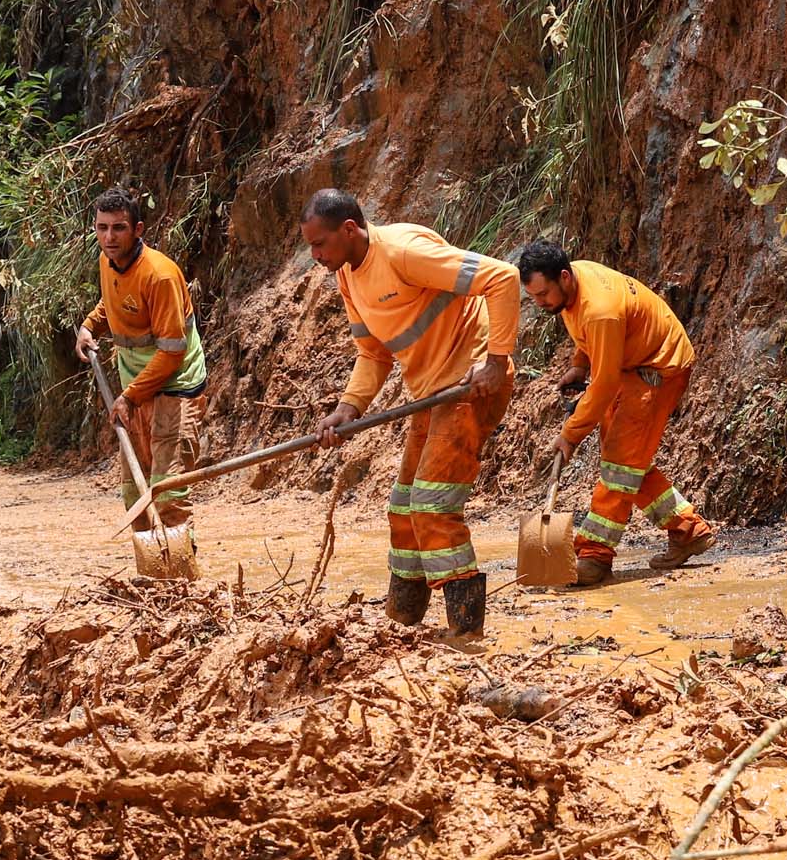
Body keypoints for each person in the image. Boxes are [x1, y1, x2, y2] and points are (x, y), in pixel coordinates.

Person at [301, 188, 520, 633]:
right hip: (430, 394)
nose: (314, 255)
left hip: (466, 386)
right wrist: (348, 407)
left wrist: (495, 361)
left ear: (349, 229)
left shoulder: (404, 251)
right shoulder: (347, 275)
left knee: (433, 506)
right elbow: (374, 353)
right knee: (403, 507)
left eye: (319, 243)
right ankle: (403, 622)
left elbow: (503, 278)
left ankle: (465, 630)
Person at [517, 242, 717, 583]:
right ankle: (688, 529)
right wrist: (580, 365)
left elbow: (605, 384)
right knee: (626, 461)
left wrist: (570, 434)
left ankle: (594, 555)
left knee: (620, 466)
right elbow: (588, 336)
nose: (539, 303)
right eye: (533, 296)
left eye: (543, 294)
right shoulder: (573, 286)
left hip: (657, 368)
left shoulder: (601, 309)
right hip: (631, 365)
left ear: (564, 277)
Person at [72, 188, 208, 530]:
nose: (109, 237)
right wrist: (89, 327)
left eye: (118, 228)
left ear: (138, 229)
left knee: (167, 490)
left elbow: (172, 353)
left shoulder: (159, 276)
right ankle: (150, 577)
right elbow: (112, 304)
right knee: (135, 490)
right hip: (135, 389)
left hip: (175, 387)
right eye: (102, 228)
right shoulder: (108, 261)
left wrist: (130, 396)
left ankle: (181, 577)